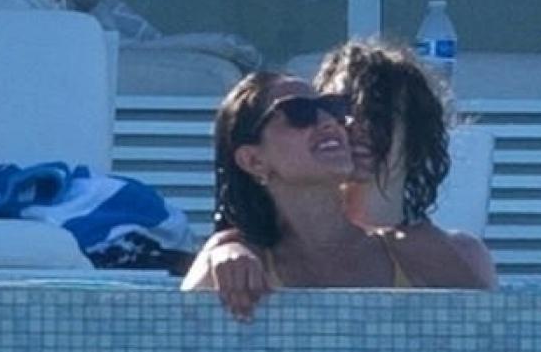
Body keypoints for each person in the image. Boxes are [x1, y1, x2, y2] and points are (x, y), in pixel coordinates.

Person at [184, 40, 497, 318]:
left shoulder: (452, 254)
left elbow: (493, 338)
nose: (347, 124)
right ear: (253, 161)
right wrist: (223, 249)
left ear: (415, 134)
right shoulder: (236, 254)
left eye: (377, 113)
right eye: (339, 108)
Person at [181, 71, 426, 316]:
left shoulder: (413, 253)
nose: (328, 121)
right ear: (253, 160)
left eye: (331, 107)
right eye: (298, 112)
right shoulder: (235, 264)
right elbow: (177, 328)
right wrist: (218, 252)